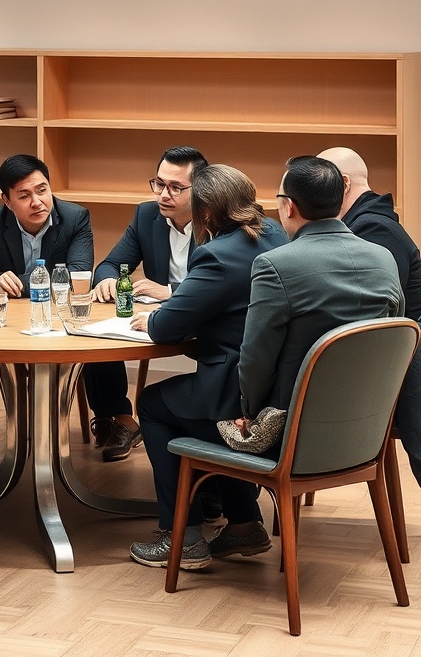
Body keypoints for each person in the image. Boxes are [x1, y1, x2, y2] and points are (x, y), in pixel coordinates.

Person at [220, 155, 404, 561]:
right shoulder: (384, 258)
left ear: (289, 207)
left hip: (292, 435)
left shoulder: (275, 264)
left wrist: (248, 413)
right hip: (365, 431)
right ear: (341, 201)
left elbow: (254, 360)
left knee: (173, 407)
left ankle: (220, 524)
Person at [125, 165, 288, 571]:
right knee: (194, 408)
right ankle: (245, 524)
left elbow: (167, 327)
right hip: (273, 387)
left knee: (153, 404)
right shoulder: (273, 234)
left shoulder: (216, 254)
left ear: (209, 213)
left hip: (234, 391)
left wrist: (153, 318)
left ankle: (181, 534)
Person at [86, 146, 209, 461]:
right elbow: (110, 263)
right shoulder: (147, 215)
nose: (163, 195)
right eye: (159, 184)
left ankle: (205, 442)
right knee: (94, 335)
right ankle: (119, 420)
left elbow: (225, 284)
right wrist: (107, 280)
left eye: (176, 188)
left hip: (209, 320)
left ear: (202, 189)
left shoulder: (216, 219)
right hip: (157, 320)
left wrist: (171, 291)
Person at [0, 154, 94, 296]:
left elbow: (78, 275)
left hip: (54, 310)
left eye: (42, 191)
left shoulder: (75, 219)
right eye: (24, 196)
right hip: (10, 312)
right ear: (7, 201)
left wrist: (13, 285)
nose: (36, 203)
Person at [316, 146, 421, 319]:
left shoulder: (374, 230)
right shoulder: (370, 222)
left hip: (389, 344)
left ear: (344, 184)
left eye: (319, 184)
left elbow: (367, 313)